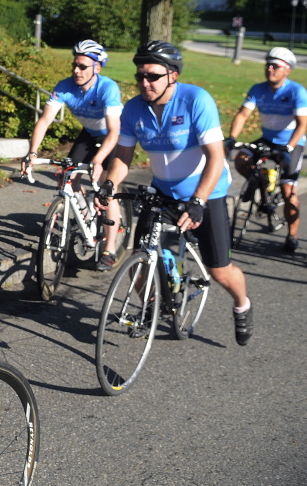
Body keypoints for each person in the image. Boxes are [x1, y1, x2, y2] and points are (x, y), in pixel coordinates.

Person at [97, 41, 254, 346]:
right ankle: (153, 307)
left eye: (153, 76)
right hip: (163, 192)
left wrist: (198, 201)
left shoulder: (196, 100)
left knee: (220, 271)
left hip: (207, 192)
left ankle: (242, 304)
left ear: (173, 75)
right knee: (140, 261)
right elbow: (123, 157)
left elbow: (216, 157)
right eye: (140, 75)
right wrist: (110, 184)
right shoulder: (134, 109)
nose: (144, 83)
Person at [21, 39, 124, 271]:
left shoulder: (107, 88)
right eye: (75, 65)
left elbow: (115, 131)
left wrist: (98, 161)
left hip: (114, 137)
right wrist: (32, 152)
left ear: (97, 67)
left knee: (108, 188)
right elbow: (45, 120)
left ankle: (110, 248)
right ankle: (86, 215)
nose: (76, 71)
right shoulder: (65, 86)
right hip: (89, 134)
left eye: (83, 66)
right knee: (68, 177)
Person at [224, 47, 307, 252]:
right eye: (267, 65)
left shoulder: (297, 91)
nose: (270, 69)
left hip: (291, 142)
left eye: (275, 66)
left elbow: (302, 124)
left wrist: (288, 148)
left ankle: (292, 235)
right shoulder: (258, 89)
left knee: (289, 190)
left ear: (287, 70)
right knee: (242, 159)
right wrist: (232, 139)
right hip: (268, 138)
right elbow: (243, 115)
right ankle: (260, 182)